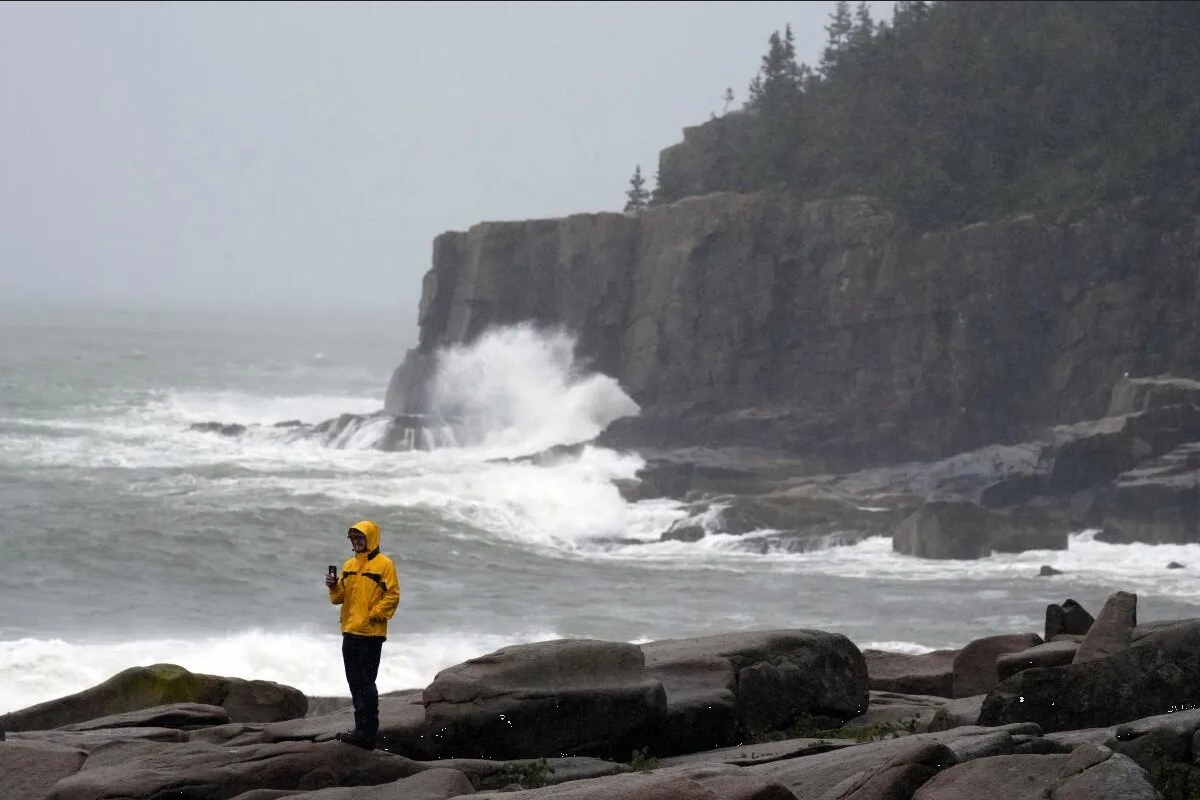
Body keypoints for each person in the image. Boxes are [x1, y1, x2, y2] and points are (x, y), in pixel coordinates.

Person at [325, 519, 400, 750]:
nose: (356, 542)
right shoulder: (348, 565)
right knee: (354, 683)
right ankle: (360, 729)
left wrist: (374, 614)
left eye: (360, 538)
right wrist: (332, 586)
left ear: (371, 538)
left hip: (371, 634)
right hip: (350, 632)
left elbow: (393, 595)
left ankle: (368, 733)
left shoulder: (384, 564)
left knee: (366, 683)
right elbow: (338, 598)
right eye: (353, 538)